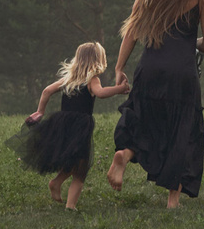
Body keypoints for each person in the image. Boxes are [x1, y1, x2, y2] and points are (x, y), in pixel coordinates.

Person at [108, 0, 204, 209]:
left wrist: (119, 66)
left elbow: (132, 31)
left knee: (146, 121)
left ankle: (124, 154)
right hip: (181, 74)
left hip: (150, 69)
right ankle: (173, 200)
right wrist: (187, 44)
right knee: (181, 132)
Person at [10, 41, 128, 210]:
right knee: (80, 169)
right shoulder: (92, 79)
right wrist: (119, 89)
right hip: (80, 128)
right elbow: (100, 94)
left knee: (71, 160)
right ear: (98, 60)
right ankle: (70, 206)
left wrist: (40, 112)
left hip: (63, 125)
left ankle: (56, 182)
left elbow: (46, 91)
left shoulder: (69, 79)